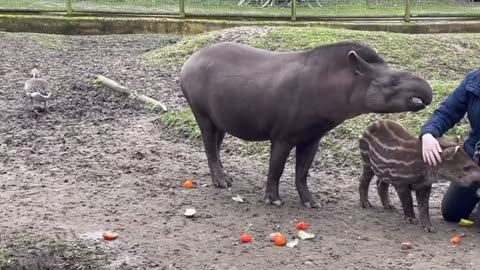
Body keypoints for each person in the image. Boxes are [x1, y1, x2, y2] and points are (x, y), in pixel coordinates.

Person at [420, 68, 480, 223]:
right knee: (452, 213)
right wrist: (429, 134)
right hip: (475, 156)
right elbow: (447, 112)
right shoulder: (474, 80)